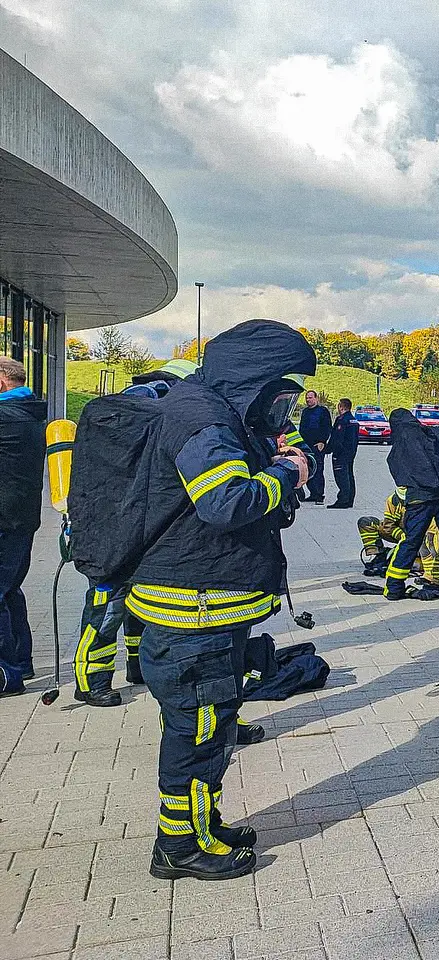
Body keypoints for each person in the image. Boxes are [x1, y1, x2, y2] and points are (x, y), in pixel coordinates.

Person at [121, 318, 315, 881]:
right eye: (283, 390)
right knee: (198, 727)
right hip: (193, 608)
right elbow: (227, 502)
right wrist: (286, 472)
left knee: (209, 723)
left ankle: (200, 824)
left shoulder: (211, 411)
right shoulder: (202, 417)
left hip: (206, 602)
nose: (287, 404)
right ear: (254, 377)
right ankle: (180, 846)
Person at [72, 359, 198, 708]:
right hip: (117, 530)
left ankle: (137, 665)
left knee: (136, 605)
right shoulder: (146, 411)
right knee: (107, 607)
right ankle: (90, 680)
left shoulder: (127, 409)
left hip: (120, 525)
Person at [383, 409, 439, 603]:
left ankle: (393, 588)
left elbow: (401, 486)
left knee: (410, 541)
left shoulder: (396, 452)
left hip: (418, 500)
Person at [0, 356, 45, 696]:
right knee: (9, 589)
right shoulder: (29, 413)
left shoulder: (5, 417)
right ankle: (21, 661)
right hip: (22, 519)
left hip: (5, 519)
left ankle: (7, 674)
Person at [358, 487, 439, 584]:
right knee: (366, 522)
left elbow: (432, 532)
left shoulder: (424, 501)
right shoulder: (393, 500)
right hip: (403, 533)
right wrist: (404, 537)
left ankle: (430, 574)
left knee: (426, 541)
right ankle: (380, 556)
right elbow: (388, 525)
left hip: (421, 538)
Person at [298, 390, 331, 503]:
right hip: (306, 447)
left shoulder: (322, 411)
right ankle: (312, 493)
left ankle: (319, 495)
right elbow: (302, 428)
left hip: (317, 446)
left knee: (318, 470)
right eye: (307, 398)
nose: (308, 400)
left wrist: (322, 441)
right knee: (308, 470)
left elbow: (327, 427)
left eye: (310, 397)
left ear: (316, 398)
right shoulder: (305, 412)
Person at [328, 398, 359, 509]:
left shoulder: (342, 420)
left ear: (341, 407)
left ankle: (343, 500)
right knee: (349, 475)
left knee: (341, 476)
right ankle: (350, 499)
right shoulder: (353, 420)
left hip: (341, 453)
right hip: (351, 452)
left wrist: (330, 449)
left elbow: (337, 438)